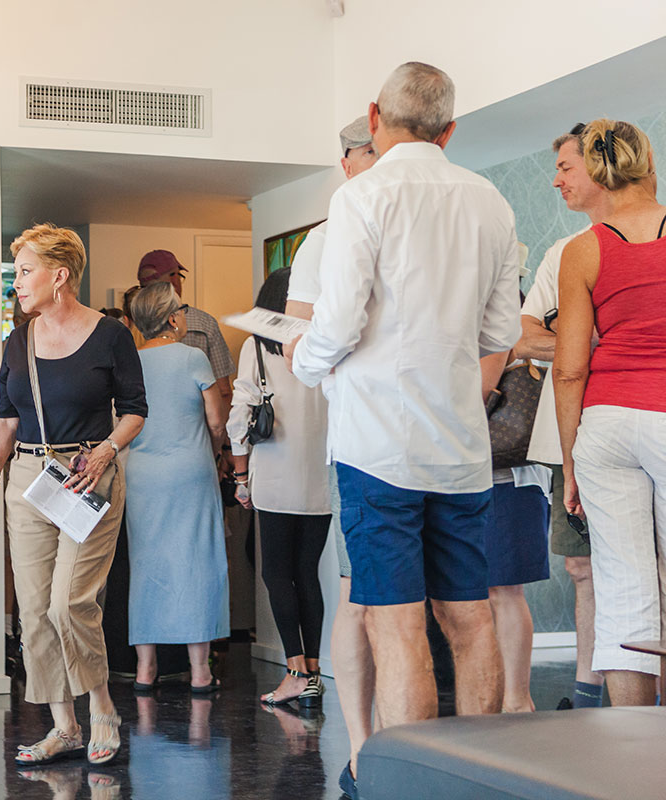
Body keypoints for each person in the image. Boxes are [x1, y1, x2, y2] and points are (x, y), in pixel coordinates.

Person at [286, 62, 521, 737]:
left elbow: (336, 324)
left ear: (374, 117)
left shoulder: (361, 197)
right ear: (449, 131)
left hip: (376, 445)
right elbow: (501, 332)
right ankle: (481, 780)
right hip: (460, 449)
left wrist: (307, 361)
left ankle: (409, 782)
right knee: (470, 618)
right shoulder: (490, 200)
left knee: (397, 623)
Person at [0, 223, 146, 766]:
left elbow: (136, 410)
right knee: (33, 609)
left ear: (60, 275)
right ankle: (64, 726)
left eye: (25, 272)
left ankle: (102, 709)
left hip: (85, 475)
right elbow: (5, 414)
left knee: (69, 601)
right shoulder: (18, 339)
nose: (17, 284)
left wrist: (107, 452)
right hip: (27, 478)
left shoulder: (110, 336)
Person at [280, 114, 378, 796]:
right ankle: (367, 750)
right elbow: (305, 349)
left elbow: (306, 350)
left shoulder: (438, 217)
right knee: (361, 590)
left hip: (402, 434)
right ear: (351, 161)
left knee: (446, 602)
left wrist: (321, 357)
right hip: (368, 439)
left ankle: (394, 753)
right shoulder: (328, 234)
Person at [555, 119, 666, 707]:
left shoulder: (584, 249)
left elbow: (570, 368)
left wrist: (571, 463)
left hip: (607, 423)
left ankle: (631, 754)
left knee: (623, 588)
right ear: (648, 163)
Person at [513, 123, 612, 710]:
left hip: (635, 423)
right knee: (581, 568)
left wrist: (576, 337)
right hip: (566, 438)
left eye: (567, 169)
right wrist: (597, 340)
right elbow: (525, 338)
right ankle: (587, 686)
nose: (556, 180)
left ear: (600, 168)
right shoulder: (561, 253)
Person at [229, 268, 331, 708]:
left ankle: (294, 673)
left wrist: (239, 476)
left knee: (276, 572)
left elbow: (240, 414)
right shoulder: (328, 344)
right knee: (307, 573)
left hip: (274, 473)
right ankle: (312, 670)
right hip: (324, 476)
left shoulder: (258, 346)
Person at [124, 281, 229, 693]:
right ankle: (200, 671)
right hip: (191, 472)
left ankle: (145, 669)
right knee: (196, 563)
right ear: (171, 318)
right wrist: (217, 447)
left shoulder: (129, 362)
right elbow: (217, 420)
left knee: (147, 564)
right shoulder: (193, 358)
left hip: (143, 475)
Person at [480, 345, 552, 713]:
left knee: (503, 590)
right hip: (462, 477)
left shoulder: (502, 316)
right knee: (475, 597)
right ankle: (497, 699)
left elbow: (479, 390)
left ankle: (516, 700)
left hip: (506, 477)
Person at [137, 250, 234, 408]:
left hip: (143, 428)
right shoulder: (204, 323)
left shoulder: (126, 325)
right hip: (198, 424)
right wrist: (221, 430)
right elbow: (223, 390)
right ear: (174, 280)